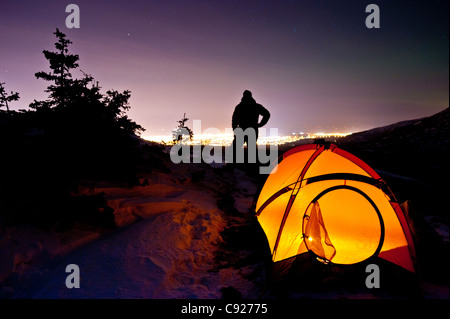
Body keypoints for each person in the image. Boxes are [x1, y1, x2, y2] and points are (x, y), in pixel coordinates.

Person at [231, 90, 270, 164]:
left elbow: (234, 120)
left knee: (235, 150)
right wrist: (260, 124)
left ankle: (232, 167)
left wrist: (235, 129)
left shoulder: (239, 107)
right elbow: (267, 114)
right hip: (252, 130)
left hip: (242, 130)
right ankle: (252, 169)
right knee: (251, 152)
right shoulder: (256, 106)